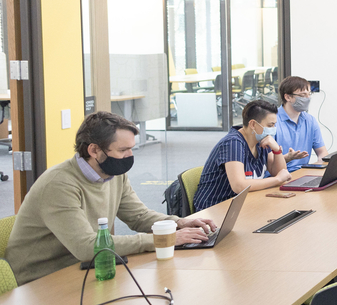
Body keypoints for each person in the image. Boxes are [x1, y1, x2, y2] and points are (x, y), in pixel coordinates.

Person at [5, 112, 217, 285]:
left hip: (86, 268)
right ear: (94, 150)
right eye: (123, 150)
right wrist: (163, 239)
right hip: (39, 281)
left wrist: (177, 223)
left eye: (131, 149)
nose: (129, 156)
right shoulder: (58, 185)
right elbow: (87, 247)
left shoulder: (113, 174)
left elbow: (139, 216)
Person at [194, 100, 293, 211]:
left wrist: (277, 151)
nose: (273, 129)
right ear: (253, 124)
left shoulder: (262, 141)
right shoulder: (233, 143)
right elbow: (239, 186)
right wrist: (277, 179)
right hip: (216, 209)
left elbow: (281, 173)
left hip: (243, 205)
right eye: (270, 125)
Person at [273, 75, 328, 172]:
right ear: (288, 97)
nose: (307, 98)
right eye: (302, 95)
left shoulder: (310, 120)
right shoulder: (272, 121)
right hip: (278, 175)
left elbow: (322, 152)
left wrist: (321, 166)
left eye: (309, 94)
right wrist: (288, 157)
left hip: (303, 173)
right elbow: (268, 163)